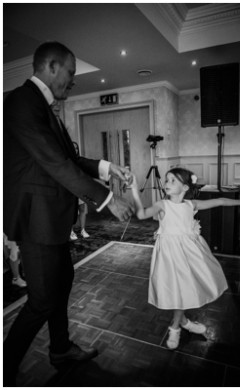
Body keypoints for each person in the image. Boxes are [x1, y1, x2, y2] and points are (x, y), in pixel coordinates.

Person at [3, 41, 136, 384]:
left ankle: (61, 351)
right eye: (70, 73)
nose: (72, 81)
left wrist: (109, 168)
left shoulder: (46, 109)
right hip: (36, 221)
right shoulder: (20, 101)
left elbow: (70, 158)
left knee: (62, 284)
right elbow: (52, 161)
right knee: (41, 301)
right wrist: (107, 199)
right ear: (50, 66)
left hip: (53, 219)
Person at [128, 167, 240, 349]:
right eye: (167, 180)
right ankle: (184, 322)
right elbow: (141, 214)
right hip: (169, 256)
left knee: (183, 289)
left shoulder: (191, 205)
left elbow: (219, 201)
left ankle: (176, 327)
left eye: (172, 181)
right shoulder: (162, 205)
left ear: (185, 187)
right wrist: (133, 189)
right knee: (176, 290)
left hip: (190, 255)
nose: (166, 183)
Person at [68, 141, 90, 240]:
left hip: (81, 189)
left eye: (77, 148)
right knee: (71, 211)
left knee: (82, 209)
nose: (75, 150)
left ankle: (83, 230)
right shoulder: (67, 160)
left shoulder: (80, 161)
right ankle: (71, 231)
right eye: (73, 148)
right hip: (71, 190)